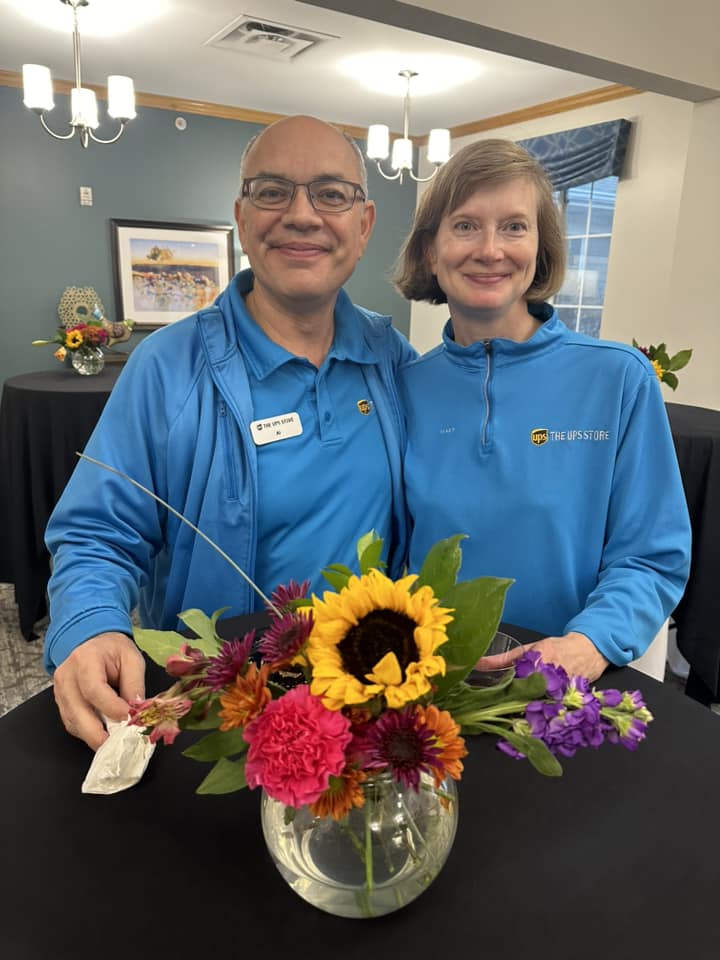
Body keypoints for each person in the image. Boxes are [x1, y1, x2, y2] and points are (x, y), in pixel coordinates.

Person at [44, 115, 416, 750]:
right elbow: (97, 533)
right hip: (223, 712)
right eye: (273, 191)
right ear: (242, 218)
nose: (302, 215)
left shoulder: (392, 357)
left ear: (365, 224)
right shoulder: (166, 366)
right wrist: (89, 625)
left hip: (371, 699)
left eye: (331, 193)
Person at [395, 138, 690, 681]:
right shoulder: (406, 386)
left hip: (567, 686)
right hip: (430, 683)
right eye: (464, 225)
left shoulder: (617, 378)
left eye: (514, 226)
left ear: (541, 246)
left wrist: (587, 642)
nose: (491, 249)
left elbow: (652, 554)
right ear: (430, 251)